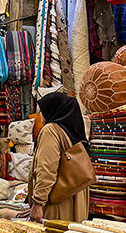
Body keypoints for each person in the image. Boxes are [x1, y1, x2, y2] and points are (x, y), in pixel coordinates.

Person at [28, 92, 90, 223]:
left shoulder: (50, 131)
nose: (40, 115)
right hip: (74, 195)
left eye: (41, 111)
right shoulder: (71, 130)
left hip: (57, 201)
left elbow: (47, 169)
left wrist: (38, 203)